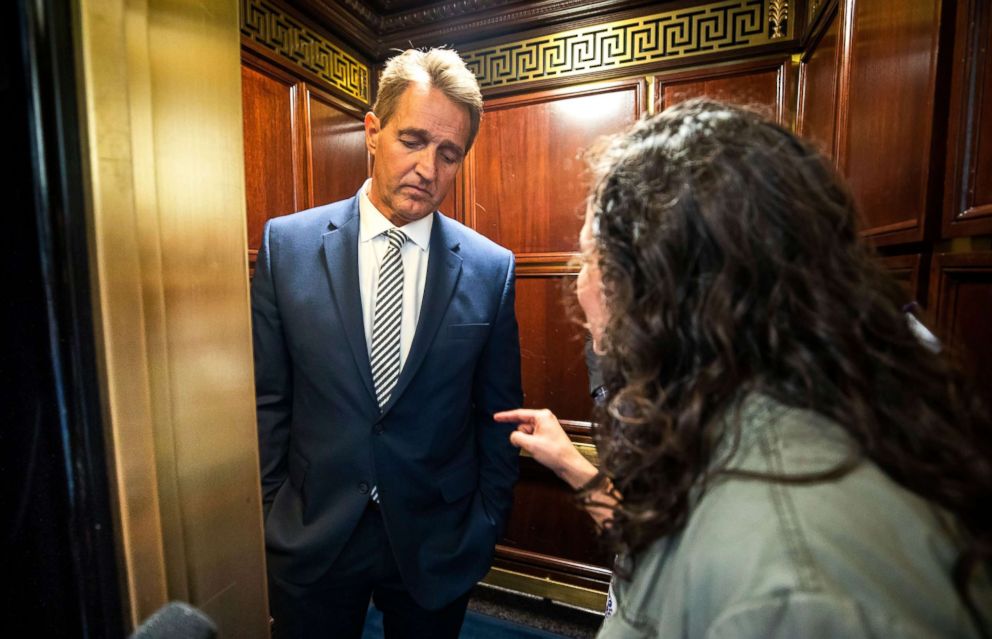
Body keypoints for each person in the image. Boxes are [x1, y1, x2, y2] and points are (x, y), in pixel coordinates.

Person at [496, 99, 992, 638]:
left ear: (662, 287)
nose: (579, 284)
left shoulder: (795, 580)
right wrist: (574, 466)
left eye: (590, 256)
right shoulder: (752, 415)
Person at [252, 48, 523, 639]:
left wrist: (484, 523)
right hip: (315, 532)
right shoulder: (287, 246)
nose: (429, 167)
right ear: (373, 132)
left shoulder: (490, 269)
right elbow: (268, 400)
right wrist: (275, 511)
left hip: (436, 539)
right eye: (414, 140)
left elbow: (497, 415)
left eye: (448, 153)